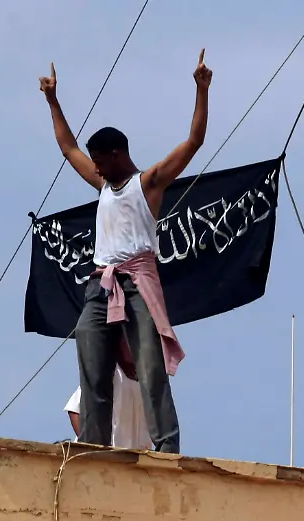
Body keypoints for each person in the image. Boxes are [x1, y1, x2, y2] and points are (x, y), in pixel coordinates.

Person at [38, 50, 213, 454]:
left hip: (136, 283)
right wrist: (53, 102)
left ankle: (167, 446)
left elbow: (194, 142)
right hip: (101, 285)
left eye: (100, 162)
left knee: (149, 368)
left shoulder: (147, 184)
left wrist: (201, 90)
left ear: (117, 155)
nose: (95, 169)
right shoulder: (102, 187)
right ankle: (95, 445)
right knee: (90, 354)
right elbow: (68, 149)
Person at [64, 335, 151, 450]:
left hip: (134, 460)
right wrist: (90, 447)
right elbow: (75, 410)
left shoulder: (147, 381)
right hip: (103, 458)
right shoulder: (108, 372)